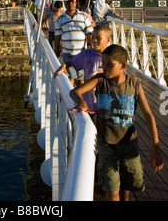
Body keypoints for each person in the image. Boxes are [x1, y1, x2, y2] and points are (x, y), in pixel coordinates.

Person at [69, 44, 164, 202]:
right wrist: (81, 102)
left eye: (109, 64)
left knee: (127, 187)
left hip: (129, 145)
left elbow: (148, 115)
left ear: (123, 66)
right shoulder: (100, 80)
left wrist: (156, 146)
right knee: (111, 190)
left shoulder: (134, 84)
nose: (104, 67)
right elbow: (75, 91)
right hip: (107, 145)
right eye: (103, 63)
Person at [54, 25, 111, 105]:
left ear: (108, 40)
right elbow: (71, 62)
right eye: (93, 37)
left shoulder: (112, 58)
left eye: (98, 38)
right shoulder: (86, 54)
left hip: (106, 104)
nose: (94, 40)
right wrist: (64, 66)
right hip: (89, 103)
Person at [54, 0, 93, 85]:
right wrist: (56, 52)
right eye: (68, 2)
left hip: (81, 53)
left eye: (72, 2)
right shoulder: (60, 19)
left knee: (80, 78)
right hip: (67, 53)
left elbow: (90, 34)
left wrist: (91, 50)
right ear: (65, 4)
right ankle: (69, 98)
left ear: (76, 3)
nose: (70, 4)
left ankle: (77, 97)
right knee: (70, 77)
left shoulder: (84, 16)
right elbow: (57, 37)